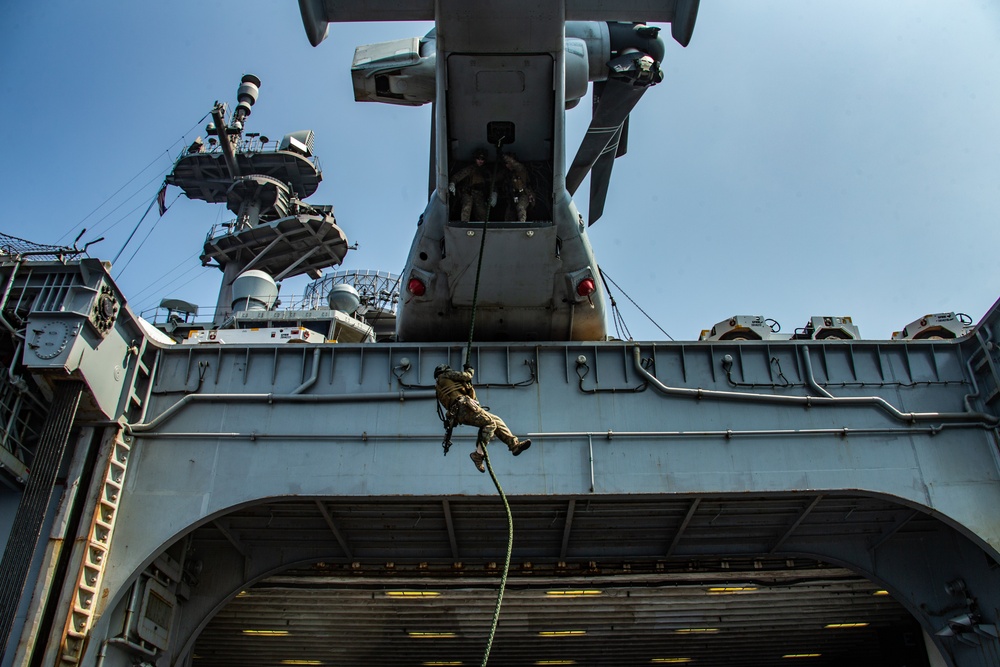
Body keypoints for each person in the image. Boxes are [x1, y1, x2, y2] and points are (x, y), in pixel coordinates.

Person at [434, 364, 531, 472]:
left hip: (462, 411)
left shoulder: (440, 387)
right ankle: (478, 454)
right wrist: (470, 369)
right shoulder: (446, 375)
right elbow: (467, 375)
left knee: (496, 420)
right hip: (464, 408)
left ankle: (514, 445)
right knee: (490, 423)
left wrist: (468, 387)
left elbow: (470, 396)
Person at [448, 148, 496, 222]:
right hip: (468, 193)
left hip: (479, 194)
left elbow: (492, 183)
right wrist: (452, 183)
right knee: (466, 208)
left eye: (482, 159)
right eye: (478, 158)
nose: (480, 161)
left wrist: (494, 193)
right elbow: (458, 176)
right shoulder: (470, 169)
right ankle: (464, 224)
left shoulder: (486, 172)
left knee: (482, 212)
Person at [501, 153, 534, 222]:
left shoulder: (521, 170)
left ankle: (522, 224)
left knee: (520, 207)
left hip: (524, 194)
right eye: (506, 163)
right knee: (509, 213)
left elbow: (517, 165)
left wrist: (506, 157)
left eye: (509, 163)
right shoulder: (508, 174)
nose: (508, 165)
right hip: (513, 196)